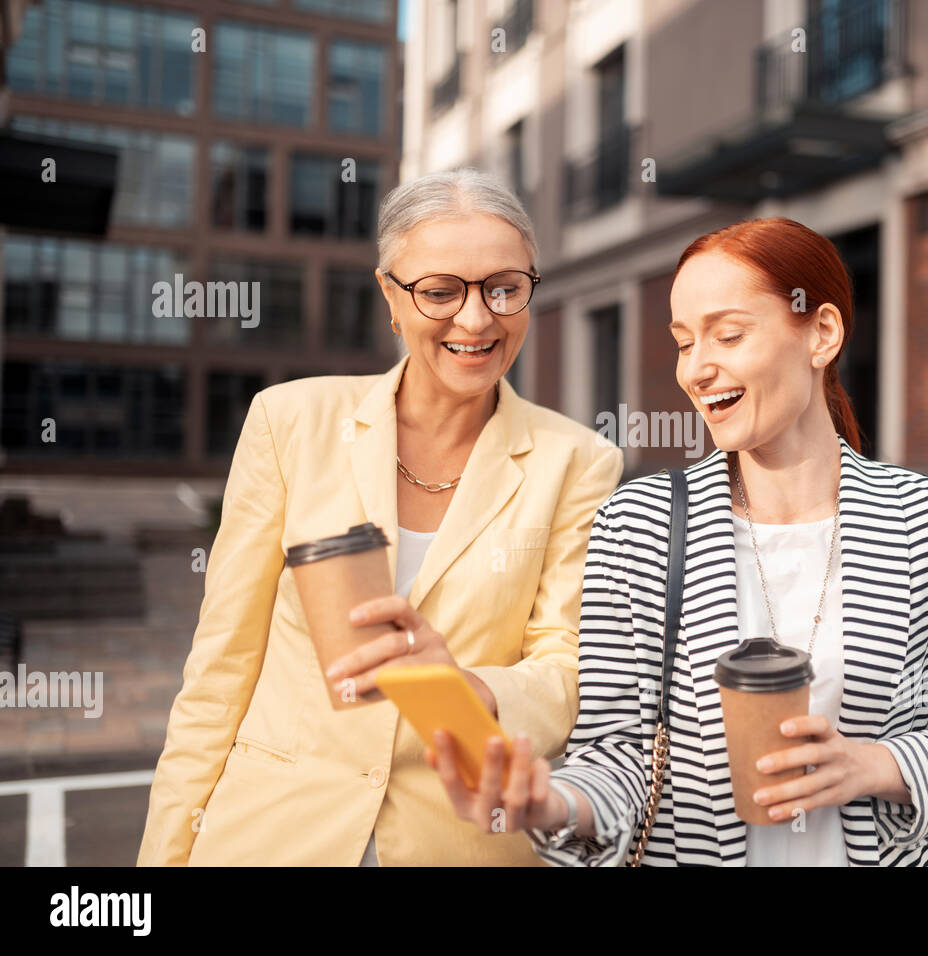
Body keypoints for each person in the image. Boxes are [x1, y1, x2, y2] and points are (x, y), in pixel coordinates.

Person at [431, 216, 928, 865]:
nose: (697, 369)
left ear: (823, 333)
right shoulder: (638, 524)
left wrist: (876, 764)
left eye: (728, 334)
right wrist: (554, 805)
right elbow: (617, 753)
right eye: (682, 342)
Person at [137, 168, 622, 866]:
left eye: (504, 287)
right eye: (439, 291)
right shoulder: (290, 421)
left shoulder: (579, 461)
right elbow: (220, 668)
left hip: (461, 844)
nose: (477, 318)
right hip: (271, 836)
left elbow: (568, 666)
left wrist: (472, 687)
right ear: (390, 299)